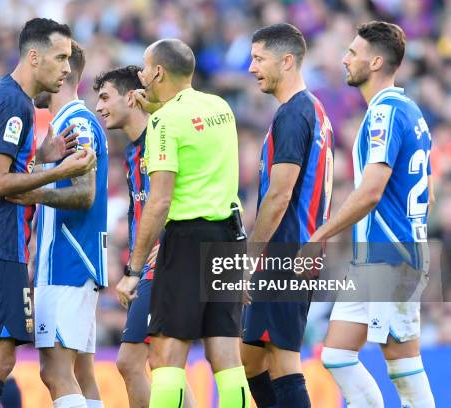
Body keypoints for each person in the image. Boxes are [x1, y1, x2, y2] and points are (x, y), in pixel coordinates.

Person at [0, 18, 96, 408]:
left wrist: (38, 158)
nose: (68, 68)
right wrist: (60, 171)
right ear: (34, 57)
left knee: (0, 360)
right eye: (61, 57)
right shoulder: (15, 101)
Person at [308, 21, 435, 407]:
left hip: (392, 257)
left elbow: (371, 191)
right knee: (336, 356)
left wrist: (321, 234)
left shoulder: (385, 114)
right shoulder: (405, 110)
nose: (345, 59)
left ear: (376, 61)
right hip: (375, 257)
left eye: (352, 52)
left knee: (402, 363)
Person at [116, 39, 249, 407]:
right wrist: (157, 106)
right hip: (229, 236)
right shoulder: (221, 107)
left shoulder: (163, 121)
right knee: (225, 353)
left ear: (158, 72)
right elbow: (188, 119)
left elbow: (158, 202)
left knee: (166, 355)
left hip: (188, 238)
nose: (141, 76)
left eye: (144, 68)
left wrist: (133, 269)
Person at [8, 40, 107, 408]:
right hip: (77, 258)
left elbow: (85, 194)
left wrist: (33, 194)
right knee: (82, 373)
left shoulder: (76, 123)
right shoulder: (68, 123)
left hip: (67, 258)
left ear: (64, 73)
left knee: (55, 371)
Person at [241, 23, 334, 408]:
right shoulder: (310, 109)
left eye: (259, 58)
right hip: (293, 251)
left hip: (284, 252)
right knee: (250, 358)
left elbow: (279, 195)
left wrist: (250, 256)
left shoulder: (294, 114)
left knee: (282, 359)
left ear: (287, 60)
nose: (251, 68)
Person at [94, 66, 196, 408]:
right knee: (159, 361)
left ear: (131, 96)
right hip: (149, 267)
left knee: (134, 361)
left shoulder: (161, 139)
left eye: (105, 97)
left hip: (166, 264)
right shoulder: (133, 151)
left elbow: (174, 200)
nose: (99, 106)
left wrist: (160, 251)